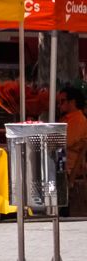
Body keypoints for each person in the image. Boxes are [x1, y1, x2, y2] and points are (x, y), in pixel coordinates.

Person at [58, 83, 87, 214]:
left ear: (72, 102)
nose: (59, 105)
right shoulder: (67, 118)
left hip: (68, 170)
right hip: (61, 166)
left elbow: (63, 142)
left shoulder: (78, 120)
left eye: (62, 101)